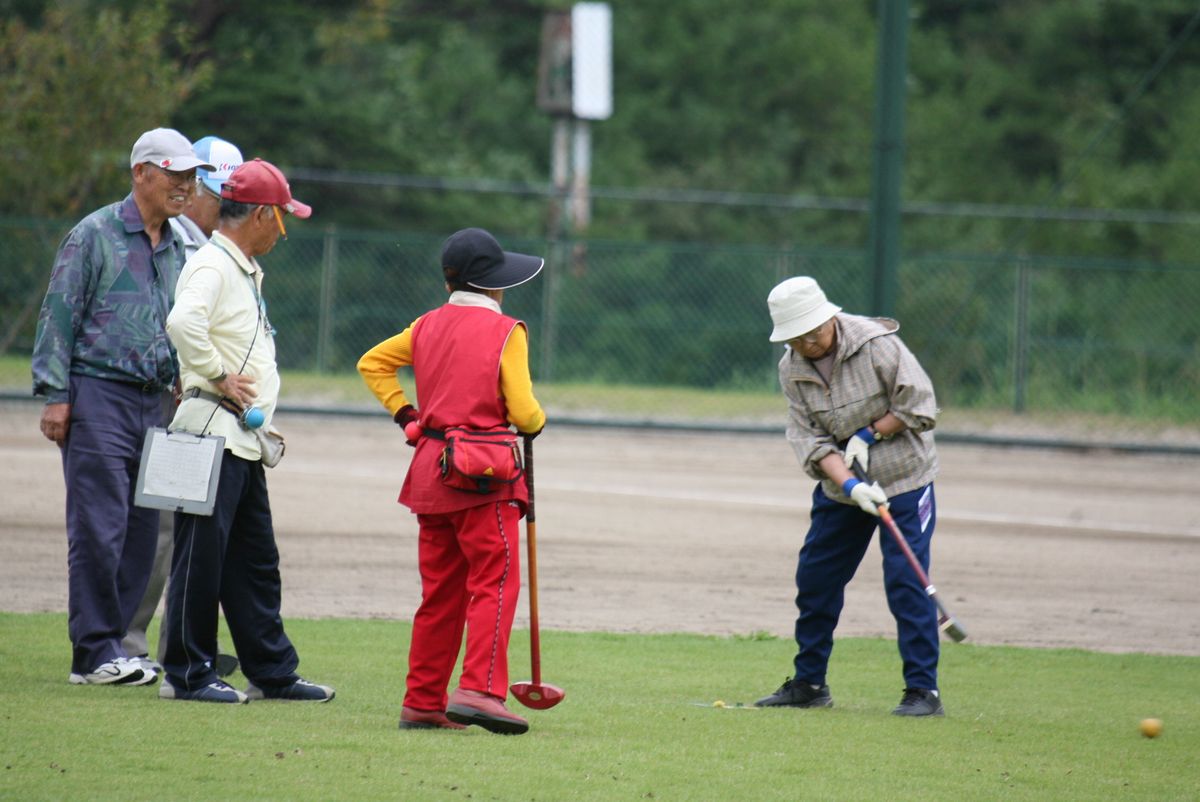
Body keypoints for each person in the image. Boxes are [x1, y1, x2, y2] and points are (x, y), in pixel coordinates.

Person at [32, 128, 214, 687]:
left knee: (144, 528)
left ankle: (121, 647)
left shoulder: (181, 242)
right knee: (99, 527)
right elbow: (58, 314)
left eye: (190, 177)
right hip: (99, 396)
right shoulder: (95, 234)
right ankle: (91, 653)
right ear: (141, 173)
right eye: (174, 174)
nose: (185, 186)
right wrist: (55, 395)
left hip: (158, 402)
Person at [358, 228, 547, 734]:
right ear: (493, 286)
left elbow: (371, 363)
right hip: (485, 476)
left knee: (440, 593)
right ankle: (481, 691)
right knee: (497, 580)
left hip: (430, 470)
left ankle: (422, 702)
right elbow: (524, 413)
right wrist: (537, 421)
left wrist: (407, 415)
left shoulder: (424, 325)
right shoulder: (507, 331)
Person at [159, 158, 334, 704]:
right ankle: (186, 675)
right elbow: (180, 323)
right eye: (281, 215)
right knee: (199, 561)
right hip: (209, 430)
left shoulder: (237, 265)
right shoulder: (213, 265)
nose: (283, 227)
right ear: (260, 214)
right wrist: (216, 374)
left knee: (253, 562)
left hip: (238, 440)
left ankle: (271, 671)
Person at [754, 276, 945, 717]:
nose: (808, 342)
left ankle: (922, 691)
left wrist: (869, 433)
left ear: (829, 317)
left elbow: (920, 404)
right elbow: (810, 440)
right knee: (816, 578)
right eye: (796, 337)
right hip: (843, 490)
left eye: (813, 332)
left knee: (905, 582)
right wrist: (852, 485)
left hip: (904, 480)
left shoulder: (877, 345)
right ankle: (809, 683)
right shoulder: (792, 368)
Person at [122, 135, 244, 679]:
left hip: (198, 401)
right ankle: (128, 641)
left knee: (193, 527)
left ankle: (181, 643)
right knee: (163, 525)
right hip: (171, 396)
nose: (225, 206)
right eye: (219, 194)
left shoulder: (210, 244)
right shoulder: (180, 243)